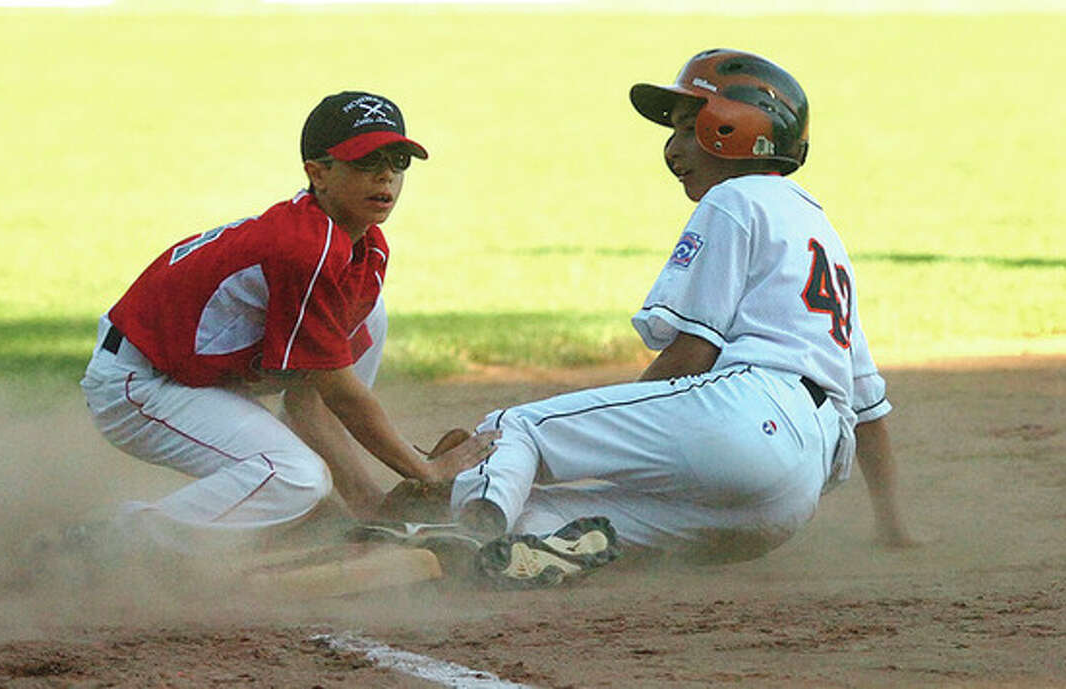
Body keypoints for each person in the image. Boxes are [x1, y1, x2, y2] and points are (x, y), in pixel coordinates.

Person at [355, 50, 917, 588]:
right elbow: (868, 411)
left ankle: (470, 525)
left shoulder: (734, 199)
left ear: (730, 127)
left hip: (751, 415)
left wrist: (624, 439)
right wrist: (893, 528)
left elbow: (693, 352)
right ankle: (489, 544)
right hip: (792, 499)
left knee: (515, 431)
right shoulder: (824, 235)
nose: (671, 149)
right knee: (556, 513)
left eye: (682, 128)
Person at [77, 90, 497, 554]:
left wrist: (369, 505)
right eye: (364, 161)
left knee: (367, 316)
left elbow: (307, 403)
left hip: (201, 377)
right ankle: (111, 544)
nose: (386, 175)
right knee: (296, 477)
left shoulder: (364, 248)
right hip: (140, 383)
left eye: (398, 160)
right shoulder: (305, 249)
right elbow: (340, 394)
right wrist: (425, 471)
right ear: (317, 173)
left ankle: (312, 513)